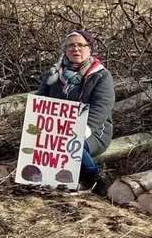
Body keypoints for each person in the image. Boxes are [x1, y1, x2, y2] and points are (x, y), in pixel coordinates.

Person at [35, 29, 115, 193]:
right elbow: (41, 99)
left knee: (72, 145)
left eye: (80, 45)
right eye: (70, 46)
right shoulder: (53, 74)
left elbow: (102, 106)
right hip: (56, 128)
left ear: (89, 48)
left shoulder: (101, 76)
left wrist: (85, 129)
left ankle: (93, 178)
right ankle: (48, 177)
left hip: (94, 130)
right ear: (65, 50)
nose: (75, 49)